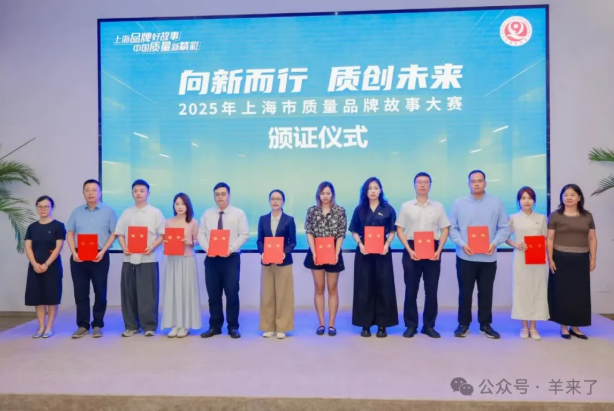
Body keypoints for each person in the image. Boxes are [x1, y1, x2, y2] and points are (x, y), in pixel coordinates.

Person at [449, 170, 509, 339]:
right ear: (468, 184)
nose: (476, 183)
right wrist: (463, 244)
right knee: (465, 292)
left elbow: (504, 227)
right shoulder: (459, 203)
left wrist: (494, 243)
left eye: (480, 180)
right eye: (473, 181)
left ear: (485, 183)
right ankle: (463, 324)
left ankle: (485, 325)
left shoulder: (496, 202)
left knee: (486, 292)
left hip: (488, 257)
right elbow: (452, 228)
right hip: (465, 256)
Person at [395, 172, 450, 339]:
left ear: (430, 185)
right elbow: (400, 229)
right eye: (419, 182)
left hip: (433, 249)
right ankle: (411, 325)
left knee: (431, 290)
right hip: (411, 248)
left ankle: (429, 326)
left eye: (426, 182)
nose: (422, 185)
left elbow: (445, 229)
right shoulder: (406, 206)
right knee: (411, 289)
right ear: (414, 185)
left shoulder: (438, 206)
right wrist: (409, 249)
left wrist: (439, 250)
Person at [66, 179, 118, 339]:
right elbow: (70, 233)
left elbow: (114, 233)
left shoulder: (109, 211)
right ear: (83, 193)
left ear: (100, 192)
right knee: (80, 292)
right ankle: (82, 325)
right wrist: (73, 252)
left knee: (100, 291)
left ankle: (97, 324)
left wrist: (103, 252)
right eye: (87, 190)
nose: (90, 193)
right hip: (79, 256)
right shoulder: (76, 212)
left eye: (94, 190)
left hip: (99, 255)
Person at [198, 183, 249, 339]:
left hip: (231, 259)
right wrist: (208, 249)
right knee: (213, 294)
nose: (220, 197)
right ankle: (215, 326)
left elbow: (244, 234)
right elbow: (201, 234)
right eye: (217, 194)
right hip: (212, 259)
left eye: (223, 194)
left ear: (229, 195)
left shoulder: (238, 213)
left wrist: (231, 249)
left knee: (232, 293)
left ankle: (233, 326)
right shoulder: (207, 214)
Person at [114, 179, 165, 337]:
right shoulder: (126, 213)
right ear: (132, 193)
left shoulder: (155, 212)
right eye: (135, 191)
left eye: (142, 191)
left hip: (148, 258)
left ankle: (149, 326)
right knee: (128, 294)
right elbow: (119, 233)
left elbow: (162, 235)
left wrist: (152, 247)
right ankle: (131, 326)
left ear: (148, 193)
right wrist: (124, 247)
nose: (138, 193)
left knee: (148, 294)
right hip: (129, 259)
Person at [349, 177, 398, 338]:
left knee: (383, 287)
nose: (373, 191)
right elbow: (354, 230)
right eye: (370, 188)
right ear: (365, 191)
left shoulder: (388, 209)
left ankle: (382, 325)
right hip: (364, 253)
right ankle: (366, 324)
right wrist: (360, 244)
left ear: (380, 190)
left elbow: (393, 230)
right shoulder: (360, 209)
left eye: (376, 188)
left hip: (383, 252)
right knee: (364, 287)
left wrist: (387, 244)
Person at [547, 184, 597, 340]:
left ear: (579, 197)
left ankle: (575, 327)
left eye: (573, 194)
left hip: (581, 258)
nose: (569, 197)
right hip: (560, 257)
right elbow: (550, 238)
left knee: (579, 293)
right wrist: (550, 258)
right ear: (562, 197)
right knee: (562, 293)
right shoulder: (555, 215)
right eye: (565, 194)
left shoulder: (587, 216)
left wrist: (593, 258)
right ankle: (563, 326)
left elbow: (592, 238)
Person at [304, 181, 347, 336]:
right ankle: (321, 323)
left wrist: (336, 252)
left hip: (333, 251)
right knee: (319, 288)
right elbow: (309, 232)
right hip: (316, 251)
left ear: (332, 194)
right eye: (322, 193)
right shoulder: (312, 211)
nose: (325, 196)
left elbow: (341, 233)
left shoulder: (340, 211)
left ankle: (332, 324)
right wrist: (314, 252)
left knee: (333, 288)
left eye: (328, 193)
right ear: (318, 195)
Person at [505, 186, 549, 340]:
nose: (526, 201)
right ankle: (524, 326)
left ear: (534, 201)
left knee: (537, 289)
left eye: (530, 198)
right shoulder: (513, 218)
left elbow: (546, 238)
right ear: (519, 201)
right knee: (521, 290)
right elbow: (505, 237)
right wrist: (516, 244)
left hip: (537, 259)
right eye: (523, 198)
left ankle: (534, 327)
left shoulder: (542, 218)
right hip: (521, 258)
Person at [256, 189, 297, 339]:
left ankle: (282, 327)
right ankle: (268, 326)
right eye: (273, 198)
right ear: (269, 201)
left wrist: (284, 253)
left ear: (283, 202)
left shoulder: (289, 220)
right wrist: (262, 252)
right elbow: (259, 241)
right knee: (267, 295)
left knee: (283, 295)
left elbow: (292, 242)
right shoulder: (263, 219)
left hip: (284, 262)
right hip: (267, 261)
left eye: (278, 199)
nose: (275, 201)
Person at [161, 193, 202, 338]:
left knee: (186, 291)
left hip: (187, 260)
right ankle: (175, 324)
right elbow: (166, 239)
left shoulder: (193, 222)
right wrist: (166, 243)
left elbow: (197, 240)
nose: (179, 206)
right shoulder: (168, 222)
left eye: (182, 204)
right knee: (173, 291)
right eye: (177, 203)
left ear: (187, 206)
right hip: (173, 260)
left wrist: (190, 242)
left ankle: (185, 325)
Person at [25, 196, 66, 339]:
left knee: (51, 297)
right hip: (35, 267)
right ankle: (41, 326)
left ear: (52, 208)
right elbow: (28, 247)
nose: (43, 209)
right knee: (38, 297)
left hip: (52, 267)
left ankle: (49, 327)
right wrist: (35, 264)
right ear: (37, 208)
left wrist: (47, 264)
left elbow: (58, 247)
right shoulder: (32, 227)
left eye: (46, 206)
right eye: (40, 207)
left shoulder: (58, 226)